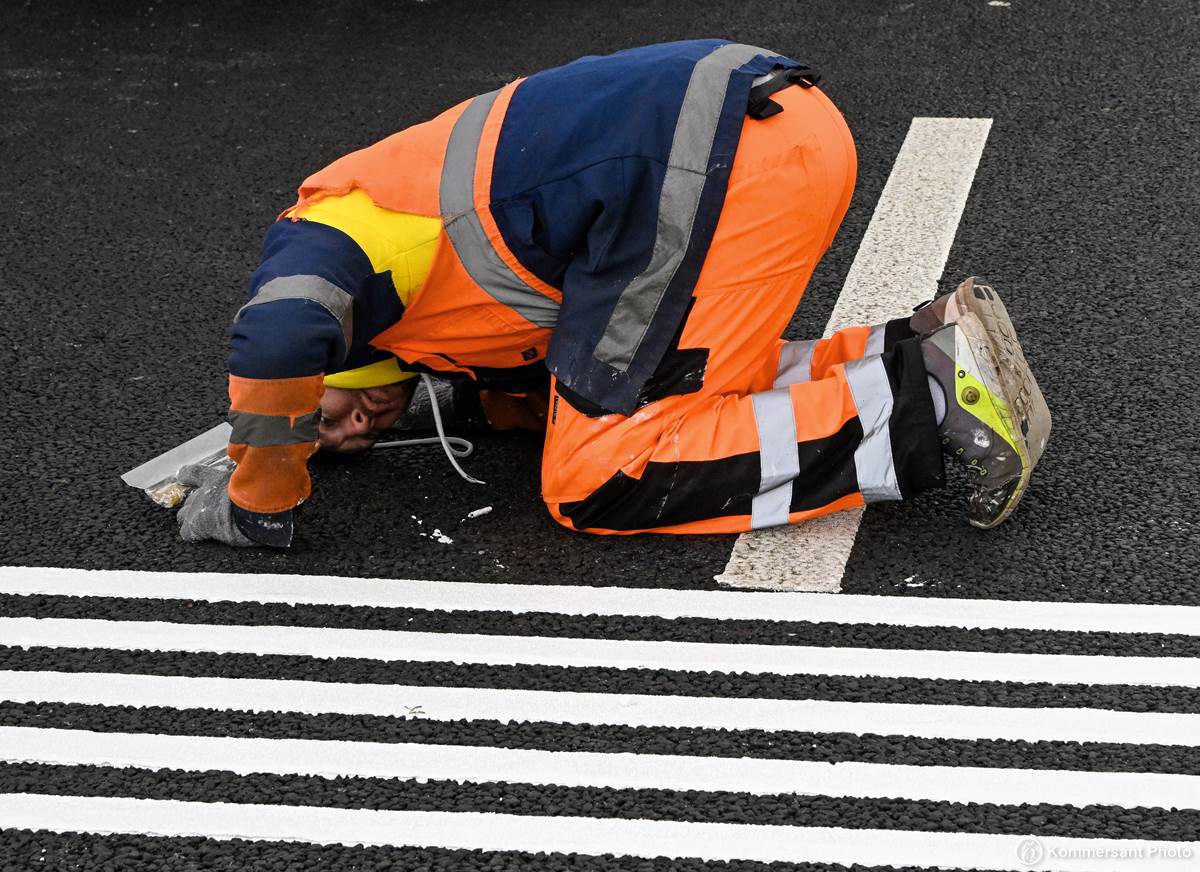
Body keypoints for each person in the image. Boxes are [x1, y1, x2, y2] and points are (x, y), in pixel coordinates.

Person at [177, 39, 1050, 548]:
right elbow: (551, 362)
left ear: (347, 354)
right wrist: (407, 404)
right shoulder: (408, 306)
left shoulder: (331, 234)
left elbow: (276, 341)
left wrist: (264, 491)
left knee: (598, 473)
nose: (349, 430)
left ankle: (926, 407)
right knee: (668, 394)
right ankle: (910, 352)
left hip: (707, 165)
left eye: (330, 416)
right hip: (779, 135)